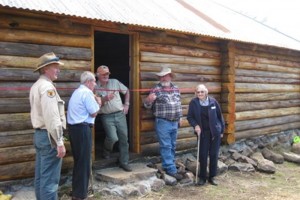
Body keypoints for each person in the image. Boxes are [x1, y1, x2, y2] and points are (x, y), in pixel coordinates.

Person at [29, 52, 66, 200]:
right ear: (45, 69)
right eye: (55, 67)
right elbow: (52, 116)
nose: (58, 70)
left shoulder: (36, 86)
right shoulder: (47, 88)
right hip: (49, 136)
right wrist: (59, 141)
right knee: (50, 181)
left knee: (41, 177)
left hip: (40, 135)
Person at [143, 67, 183, 181]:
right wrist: (149, 100)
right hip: (163, 121)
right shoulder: (156, 89)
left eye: (165, 76)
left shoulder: (175, 88)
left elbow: (178, 104)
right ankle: (171, 169)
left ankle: (169, 164)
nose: (163, 78)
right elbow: (147, 105)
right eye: (161, 76)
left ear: (170, 76)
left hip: (175, 121)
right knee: (166, 145)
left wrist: (180, 117)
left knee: (173, 144)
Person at [67, 71, 101, 200]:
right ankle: (80, 195)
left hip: (75, 129)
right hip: (82, 128)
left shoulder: (77, 92)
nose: (95, 84)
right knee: (84, 162)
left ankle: (77, 191)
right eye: (93, 81)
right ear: (88, 82)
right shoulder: (86, 93)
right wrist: (98, 102)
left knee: (79, 161)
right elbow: (94, 113)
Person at [95, 65, 132, 172]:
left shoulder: (115, 82)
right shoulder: (95, 87)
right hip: (106, 116)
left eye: (107, 74)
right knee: (113, 138)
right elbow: (94, 104)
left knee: (124, 138)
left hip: (120, 114)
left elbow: (127, 91)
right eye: (103, 74)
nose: (106, 76)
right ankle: (106, 151)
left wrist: (127, 104)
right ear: (98, 75)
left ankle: (124, 162)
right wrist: (104, 99)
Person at [187, 84, 225, 186]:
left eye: (202, 92)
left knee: (213, 155)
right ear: (196, 93)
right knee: (203, 155)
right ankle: (202, 177)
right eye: (198, 92)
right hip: (203, 133)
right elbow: (190, 117)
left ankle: (212, 177)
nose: (200, 94)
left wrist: (221, 131)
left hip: (215, 133)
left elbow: (219, 116)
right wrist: (195, 125)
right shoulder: (193, 103)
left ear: (206, 92)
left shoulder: (213, 102)